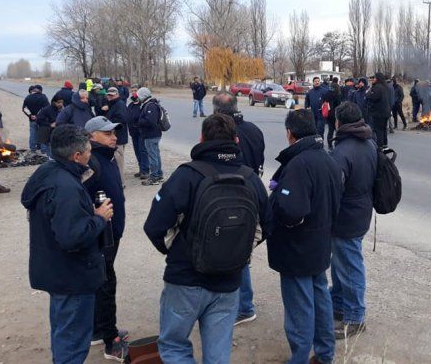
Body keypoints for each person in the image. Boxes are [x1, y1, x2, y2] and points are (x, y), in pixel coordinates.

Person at [144, 114, 268, 364]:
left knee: (174, 346)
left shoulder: (186, 175)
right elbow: (266, 226)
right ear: (236, 140)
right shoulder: (251, 178)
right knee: (218, 354)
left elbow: (154, 226)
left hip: (185, 278)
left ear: (201, 139)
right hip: (230, 280)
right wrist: (237, 250)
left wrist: (176, 250)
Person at [21, 124, 114, 364]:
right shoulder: (66, 187)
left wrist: (87, 215)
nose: (90, 154)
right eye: (88, 151)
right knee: (72, 342)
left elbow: (62, 222)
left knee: (64, 334)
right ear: (76, 156)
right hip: (73, 276)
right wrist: (99, 218)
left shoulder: (50, 172)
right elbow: (73, 237)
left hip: (59, 272)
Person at [266, 109, 343, 364]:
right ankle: (325, 354)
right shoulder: (328, 158)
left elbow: (292, 210)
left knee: (299, 307)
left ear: (290, 133)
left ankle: (299, 357)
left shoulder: (298, 164)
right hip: (320, 243)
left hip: (297, 248)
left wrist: (276, 200)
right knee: (320, 298)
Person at [212, 92, 265, 325]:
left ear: (216, 110)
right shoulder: (254, 129)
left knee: (231, 251)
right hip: (251, 192)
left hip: (228, 197)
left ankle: (243, 305)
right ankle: (241, 302)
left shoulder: (219, 133)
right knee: (242, 249)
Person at [82, 117, 130, 361]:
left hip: (112, 232)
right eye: (107, 133)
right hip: (102, 235)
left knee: (102, 280)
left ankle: (97, 329)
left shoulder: (109, 157)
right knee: (105, 282)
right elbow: (79, 200)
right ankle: (111, 341)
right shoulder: (91, 163)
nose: (114, 137)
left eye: (114, 132)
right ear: (91, 137)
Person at [328, 101, 377, 340]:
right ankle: (338, 305)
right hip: (361, 212)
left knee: (349, 266)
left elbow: (333, 190)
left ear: (338, 122)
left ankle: (355, 317)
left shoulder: (342, 152)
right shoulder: (369, 142)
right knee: (341, 263)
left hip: (346, 218)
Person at [137, 87, 163, 185]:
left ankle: (154, 177)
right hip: (154, 134)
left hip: (151, 134)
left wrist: (140, 121)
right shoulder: (149, 104)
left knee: (152, 156)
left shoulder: (150, 105)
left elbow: (151, 121)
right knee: (156, 154)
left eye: (139, 96)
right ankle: (159, 174)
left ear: (143, 96)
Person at [104, 88, 129, 179]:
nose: (110, 96)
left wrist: (108, 122)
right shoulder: (113, 104)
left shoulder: (120, 104)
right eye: (108, 95)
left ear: (117, 95)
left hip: (118, 137)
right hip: (115, 137)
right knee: (115, 161)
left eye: (112, 95)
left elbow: (123, 119)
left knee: (118, 161)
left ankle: (120, 182)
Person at [127, 91, 149, 180]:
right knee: (137, 151)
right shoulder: (131, 105)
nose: (133, 94)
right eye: (132, 91)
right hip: (133, 132)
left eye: (135, 91)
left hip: (141, 132)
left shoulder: (142, 106)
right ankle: (141, 169)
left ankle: (145, 170)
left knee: (142, 151)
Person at [365, 73, 390, 148]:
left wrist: (367, 93)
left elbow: (373, 97)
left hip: (378, 112)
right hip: (386, 111)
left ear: (378, 79)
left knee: (378, 130)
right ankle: (385, 144)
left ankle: (380, 146)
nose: (373, 79)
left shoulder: (377, 87)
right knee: (383, 129)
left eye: (375, 78)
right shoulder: (385, 87)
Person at [22, 85, 50, 151]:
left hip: (32, 120)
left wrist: (30, 115)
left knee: (33, 133)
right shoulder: (43, 97)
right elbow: (46, 109)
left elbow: (24, 108)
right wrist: (37, 116)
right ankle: (43, 149)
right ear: (40, 90)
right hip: (41, 120)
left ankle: (33, 148)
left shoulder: (28, 97)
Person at [304, 77, 328, 141]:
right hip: (312, 114)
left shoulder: (324, 91)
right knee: (313, 130)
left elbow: (328, 101)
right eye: (316, 81)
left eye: (318, 81)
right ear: (313, 82)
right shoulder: (310, 92)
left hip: (321, 114)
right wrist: (307, 107)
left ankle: (320, 143)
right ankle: (314, 143)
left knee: (320, 130)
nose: (317, 82)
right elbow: (307, 100)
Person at [324, 78, 343, 149]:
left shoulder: (327, 92)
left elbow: (325, 101)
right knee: (338, 130)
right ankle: (338, 144)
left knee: (330, 130)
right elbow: (339, 104)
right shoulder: (338, 94)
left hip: (328, 114)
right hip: (336, 114)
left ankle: (330, 145)